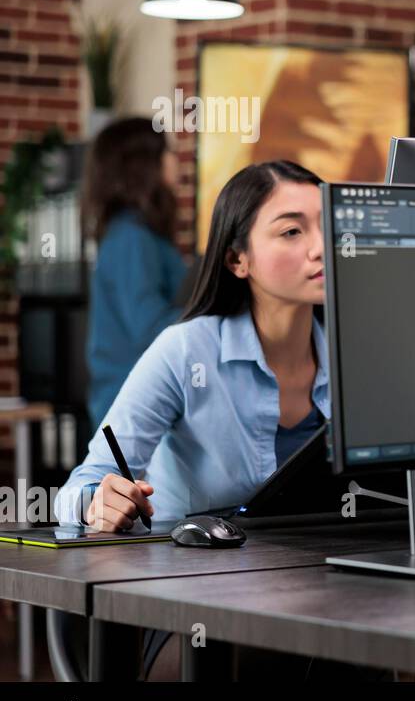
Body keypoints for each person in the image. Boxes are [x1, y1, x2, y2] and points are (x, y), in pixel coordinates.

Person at [54, 159, 327, 529]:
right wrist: (96, 503)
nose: (321, 247)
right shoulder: (185, 351)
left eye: (329, 224)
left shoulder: (357, 354)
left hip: (319, 572)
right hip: (193, 578)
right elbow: (79, 487)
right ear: (236, 259)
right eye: (293, 231)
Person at [82, 118, 187, 428]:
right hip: (132, 413)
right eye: (167, 151)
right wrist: (215, 310)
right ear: (145, 165)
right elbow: (150, 326)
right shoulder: (131, 237)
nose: (175, 159)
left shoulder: (137, 233)